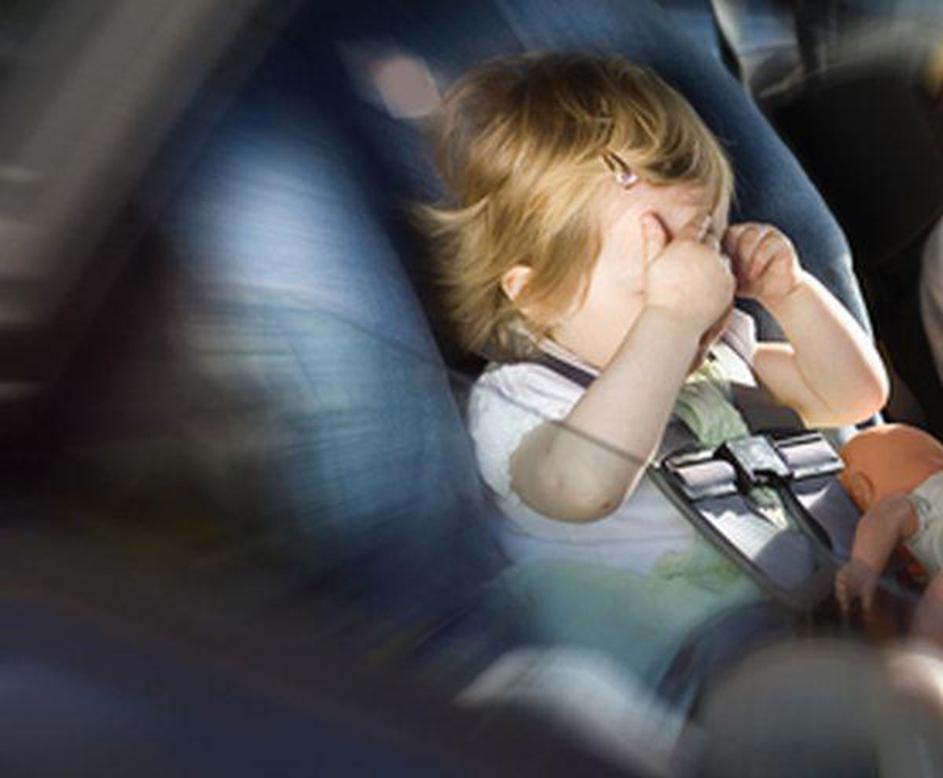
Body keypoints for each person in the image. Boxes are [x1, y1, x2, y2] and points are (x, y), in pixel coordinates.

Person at [421, 52, 887, 589]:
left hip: (838, 592)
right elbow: (583, 487)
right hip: (688, 627)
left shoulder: (724, 358)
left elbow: (852, 398)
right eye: (655, 286)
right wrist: (669, 321)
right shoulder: (524, 399)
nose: (696, 299)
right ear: (536, 297)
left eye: (705, 255)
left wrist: (792, 293)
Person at [835, 424, 943, 644]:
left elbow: (883, 518)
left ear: (862, 490)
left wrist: (863, 566)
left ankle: (922, 656)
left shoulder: (924, 500)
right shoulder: (929, 497)